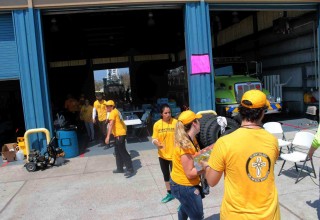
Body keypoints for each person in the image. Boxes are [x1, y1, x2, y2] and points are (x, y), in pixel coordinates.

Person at [201, 89, 280, 220]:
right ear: (262, 113)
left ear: (240, 110)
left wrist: (206, 165)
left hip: (236, 215)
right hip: (269, 214)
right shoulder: (272, 140)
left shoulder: (224, 142)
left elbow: (211, 181)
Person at [170, 110, 206, 220]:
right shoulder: (185, 145)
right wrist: (208, 166)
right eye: (198, 120)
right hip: (185, 187)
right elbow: (190, 173)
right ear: (194, 124)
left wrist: (212, 148)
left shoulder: (190, 138)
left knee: (185, 207)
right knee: (197, 216)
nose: (200, 122)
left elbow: (196, 155)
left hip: (181, 184)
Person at [152, 104, 177, 203]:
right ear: (161, 114)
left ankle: (178, 194)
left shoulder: (176, 123)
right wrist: (155, 143)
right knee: (166, 175)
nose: (168, 114)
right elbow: (154, 138)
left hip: (174, 155)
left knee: (175, 176)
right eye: (165, 113)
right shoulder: (157, 124)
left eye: (169, 112)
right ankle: (170, 193)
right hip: (162, 155)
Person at [105, 100, 134, 177]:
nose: (106, 107)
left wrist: (107, 137)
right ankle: (120, 168)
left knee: (122, 152)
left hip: (120, 134)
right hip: (118, 134)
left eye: (107, 106)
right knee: (117, 152)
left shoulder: (113, 112)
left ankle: (130, 169)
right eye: (106, 106)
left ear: (112, 106)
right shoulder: (116, 111)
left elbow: (111, 125)